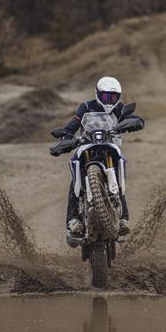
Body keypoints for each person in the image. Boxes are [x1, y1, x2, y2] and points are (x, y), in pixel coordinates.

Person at [55, 76, 131, 241]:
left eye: (113, 97)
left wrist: (134, 122)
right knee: (76, 178)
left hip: (110, 147)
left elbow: (128, 119)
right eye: (106, 96)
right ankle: (73, 220)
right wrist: (66, 136)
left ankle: (124, 218)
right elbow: (74, 124)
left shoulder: (119, 109)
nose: (109, 100)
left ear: (118, 97)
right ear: (98, 93)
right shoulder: (87, 106)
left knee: (117, 180)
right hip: (87, 145)